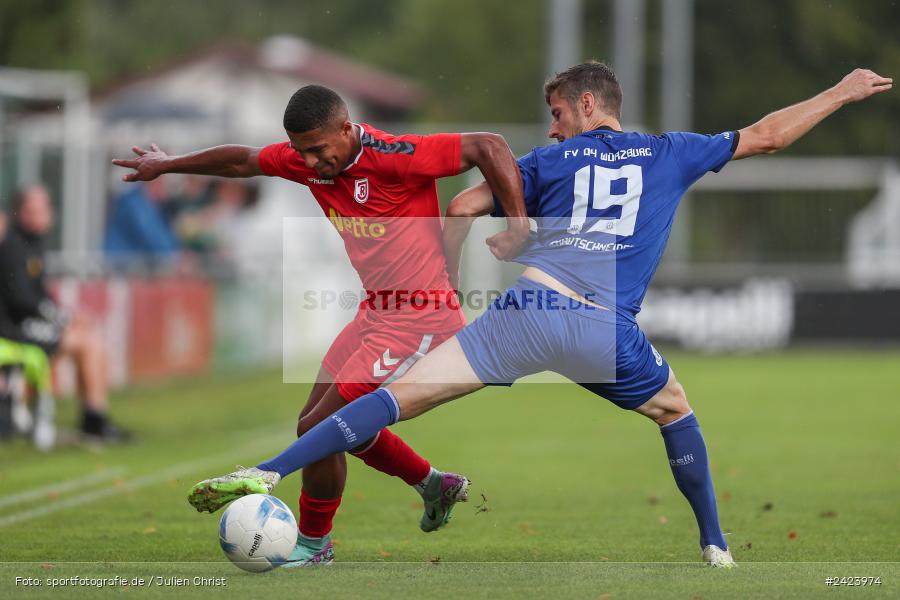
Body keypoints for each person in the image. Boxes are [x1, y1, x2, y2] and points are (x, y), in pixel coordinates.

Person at [188, 64, 892, 568]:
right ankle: (715, 545)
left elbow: (463, 203)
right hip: (599, 329)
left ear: (589, 104)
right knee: (675, 411)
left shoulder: (547, 163)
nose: (552, 127)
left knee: (389, 401)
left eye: (557, 112)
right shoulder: (672, 152)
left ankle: (271, 470)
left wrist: (454, 268)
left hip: (523, 312)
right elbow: (768, 135)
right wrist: (842, 90)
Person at [112, 84, 529, 566]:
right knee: (317, 425)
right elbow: (243, 162)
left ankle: (315, 545)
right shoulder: (302, 157)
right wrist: (169, 164)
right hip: (375, 312)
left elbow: (491, 146)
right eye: (301, 151)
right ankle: (434, 484)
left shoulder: (396, 155)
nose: (309, 163)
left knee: (321, 426)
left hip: (420, 318)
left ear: (347, 130)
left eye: (318, 150)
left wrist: (517, 223)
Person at [0, 185, 131, 443]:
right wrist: (65, 319)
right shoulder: (15, 247)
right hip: (15, 329)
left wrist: (65, 315)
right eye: (33, 210)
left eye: (44, 209)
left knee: (86, 339)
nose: (41, 215)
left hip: (25, 325)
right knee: (87, 343)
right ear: (20, 213)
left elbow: (38, 296)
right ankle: (94, 419)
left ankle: (90, 417)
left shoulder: (31, 244)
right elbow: (22, 300)